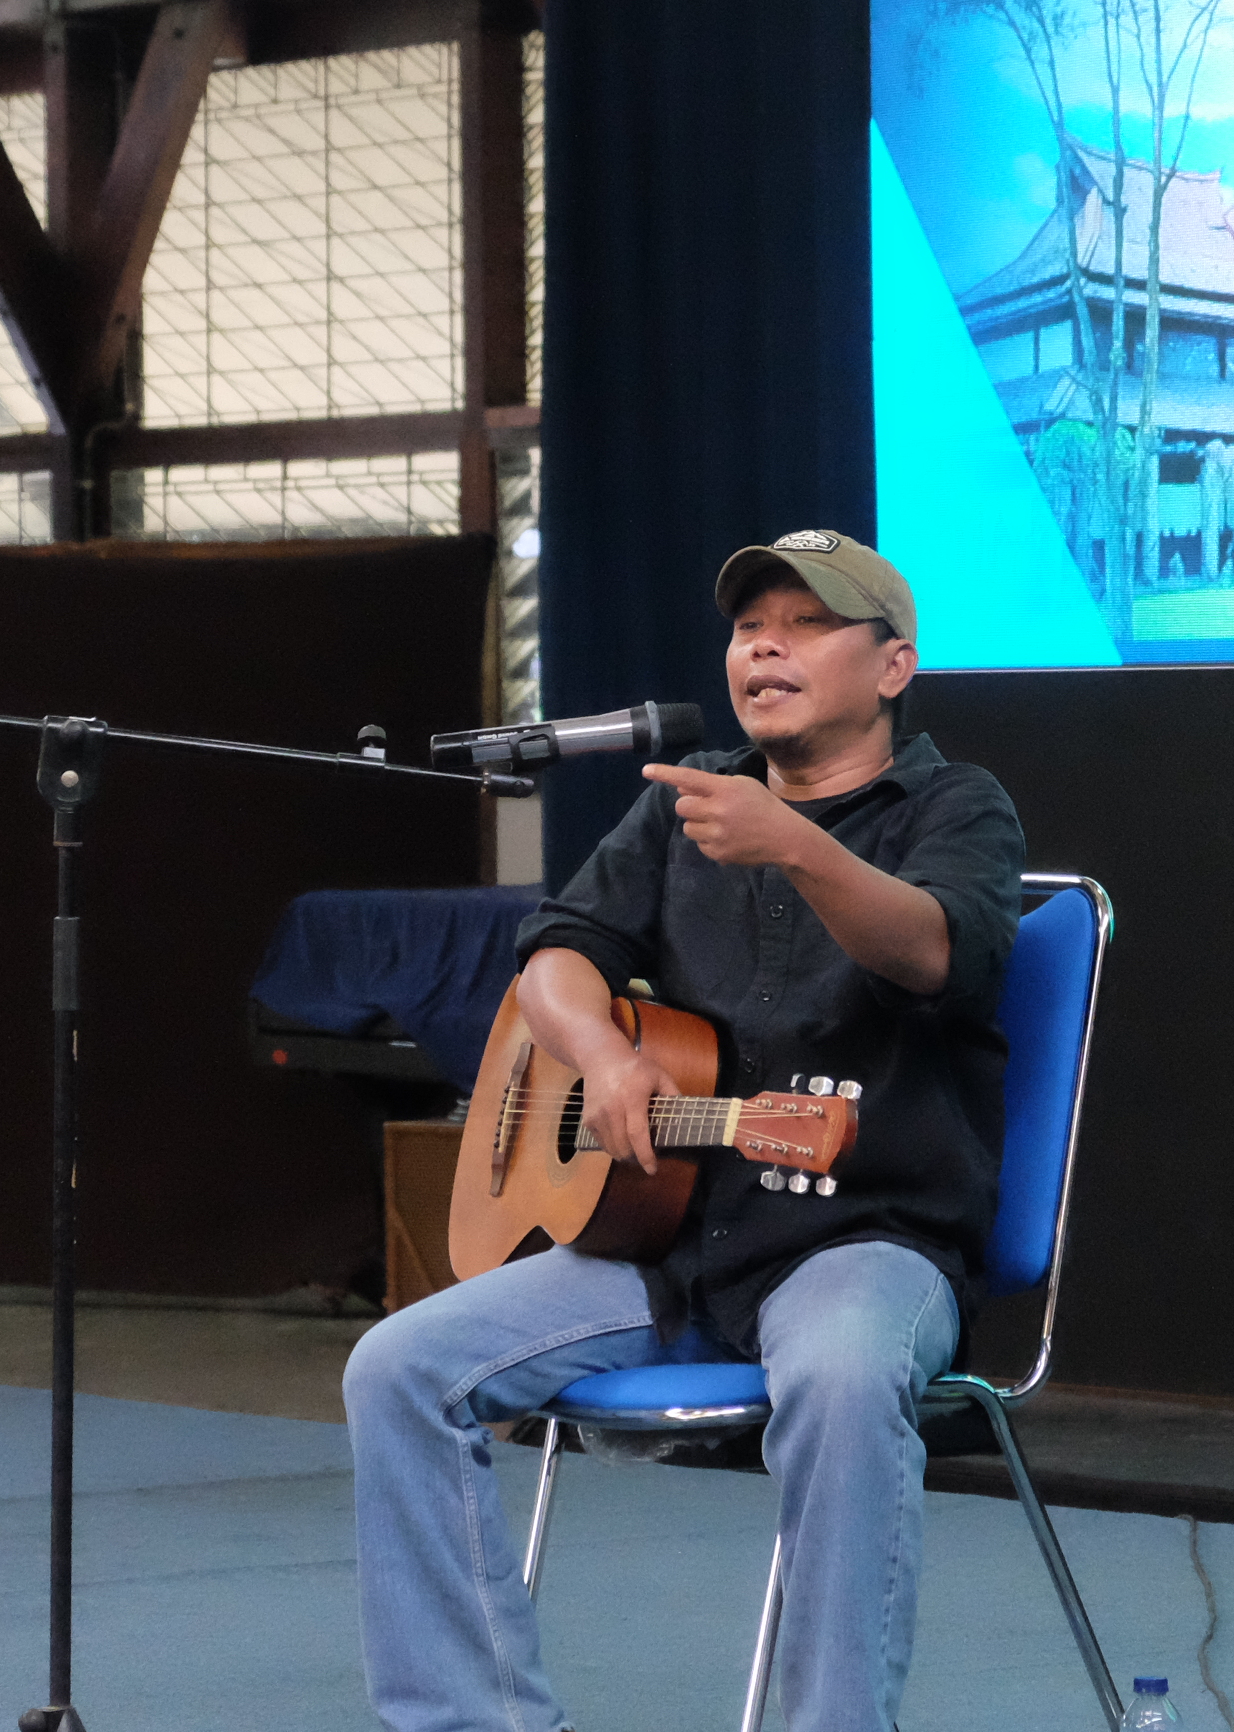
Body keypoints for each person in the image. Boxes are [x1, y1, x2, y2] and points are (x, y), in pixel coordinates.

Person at [344, 528, 1026, 1732]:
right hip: (666, 1250)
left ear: (893, 667)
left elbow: (934, 951)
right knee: (396, 1369)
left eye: (807, 625)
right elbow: (557, 959)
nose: (765, 646)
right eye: (750, 627)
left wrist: (796, 844)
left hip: (868, 1242)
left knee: (842, 1373)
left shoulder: (957, 805)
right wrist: (605, 1056)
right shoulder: (684, 805)